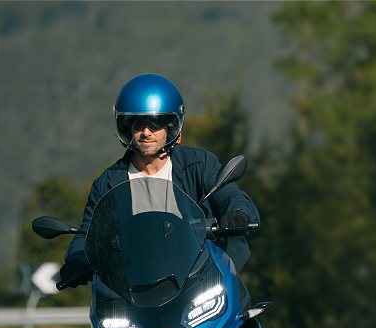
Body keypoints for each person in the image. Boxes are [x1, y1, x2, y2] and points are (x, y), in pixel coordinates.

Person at [56, 73, 259, 290]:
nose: (146, 132)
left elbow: (232, 197)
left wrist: (237, 214)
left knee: (239, 310)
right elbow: (89, 233)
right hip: (135, 288)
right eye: (137, 124)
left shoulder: (199, 164)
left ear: (170, 126)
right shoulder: (108, 183)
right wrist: (78, 259)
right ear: (126, 127)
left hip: (203, 280)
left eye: (155, 124)